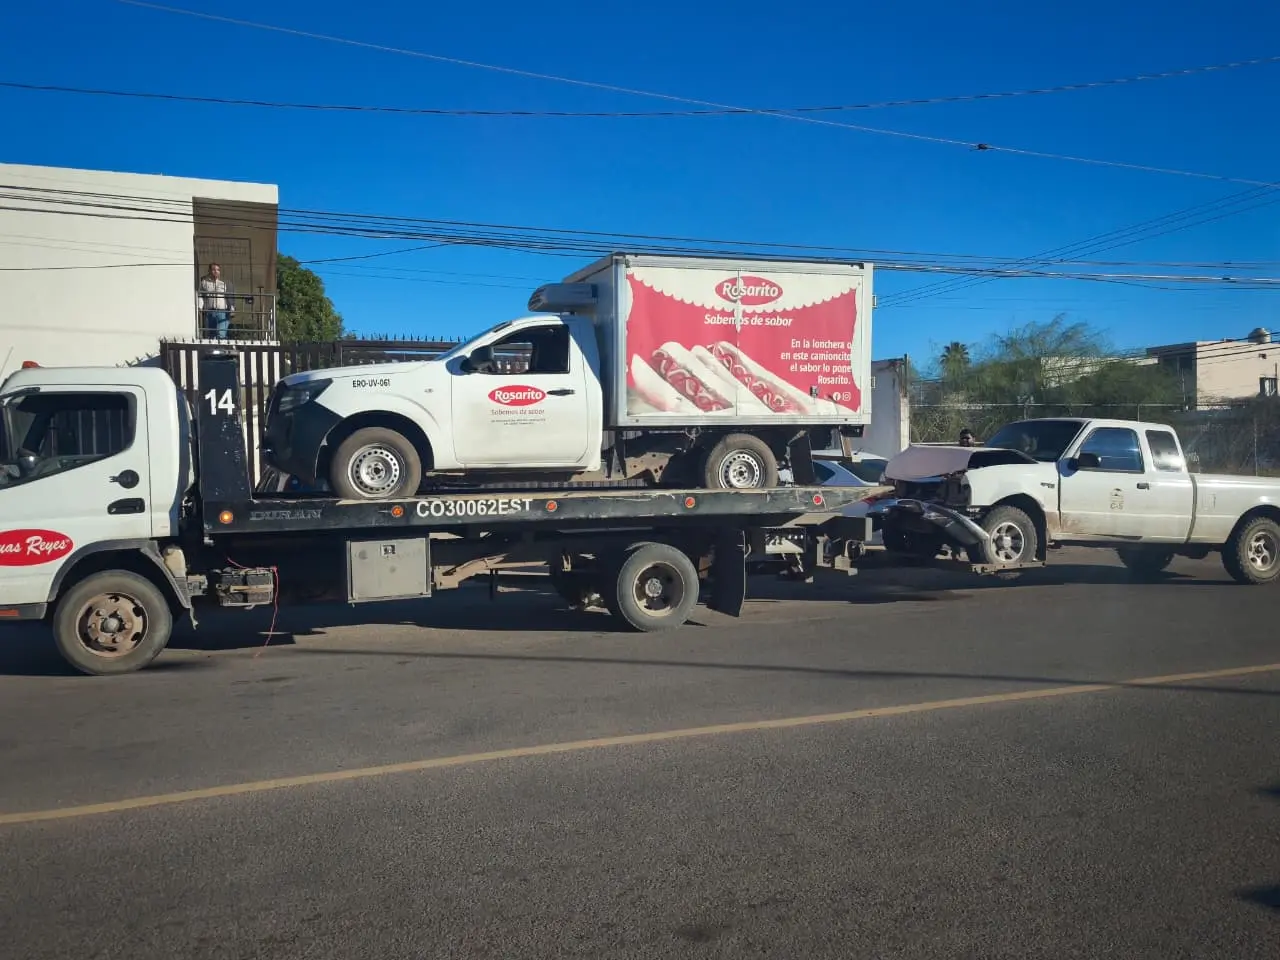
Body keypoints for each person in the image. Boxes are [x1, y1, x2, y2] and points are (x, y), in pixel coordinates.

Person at [197, 262, 234, 339]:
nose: (216, 271)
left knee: (221, 334)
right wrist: (200, 307)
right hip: (210, 312)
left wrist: (232, 309)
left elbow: (230, 297)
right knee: (211, 335)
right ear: (209, 271)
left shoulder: (224, 283)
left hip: (223, 312)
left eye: (218, 270)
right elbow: (201, 296)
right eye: (214, 269)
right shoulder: (204, 283)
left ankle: (221, 350)